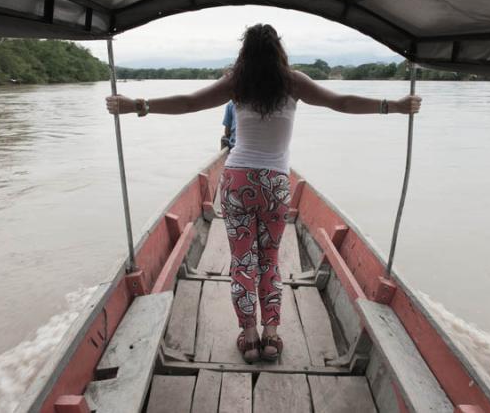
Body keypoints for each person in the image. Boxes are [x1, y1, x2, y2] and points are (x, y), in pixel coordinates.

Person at [106, 23, 421, 363]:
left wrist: (137, 105)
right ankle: (271, 335)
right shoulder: (294, 82)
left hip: (238, 182)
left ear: (245, 52)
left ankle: (249, 334)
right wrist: (395, 106)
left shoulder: (237, 81)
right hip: (275, 186)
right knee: (268, 260)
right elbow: (341, 102)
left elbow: (188, 102)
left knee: (243, 262)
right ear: (279, 51)